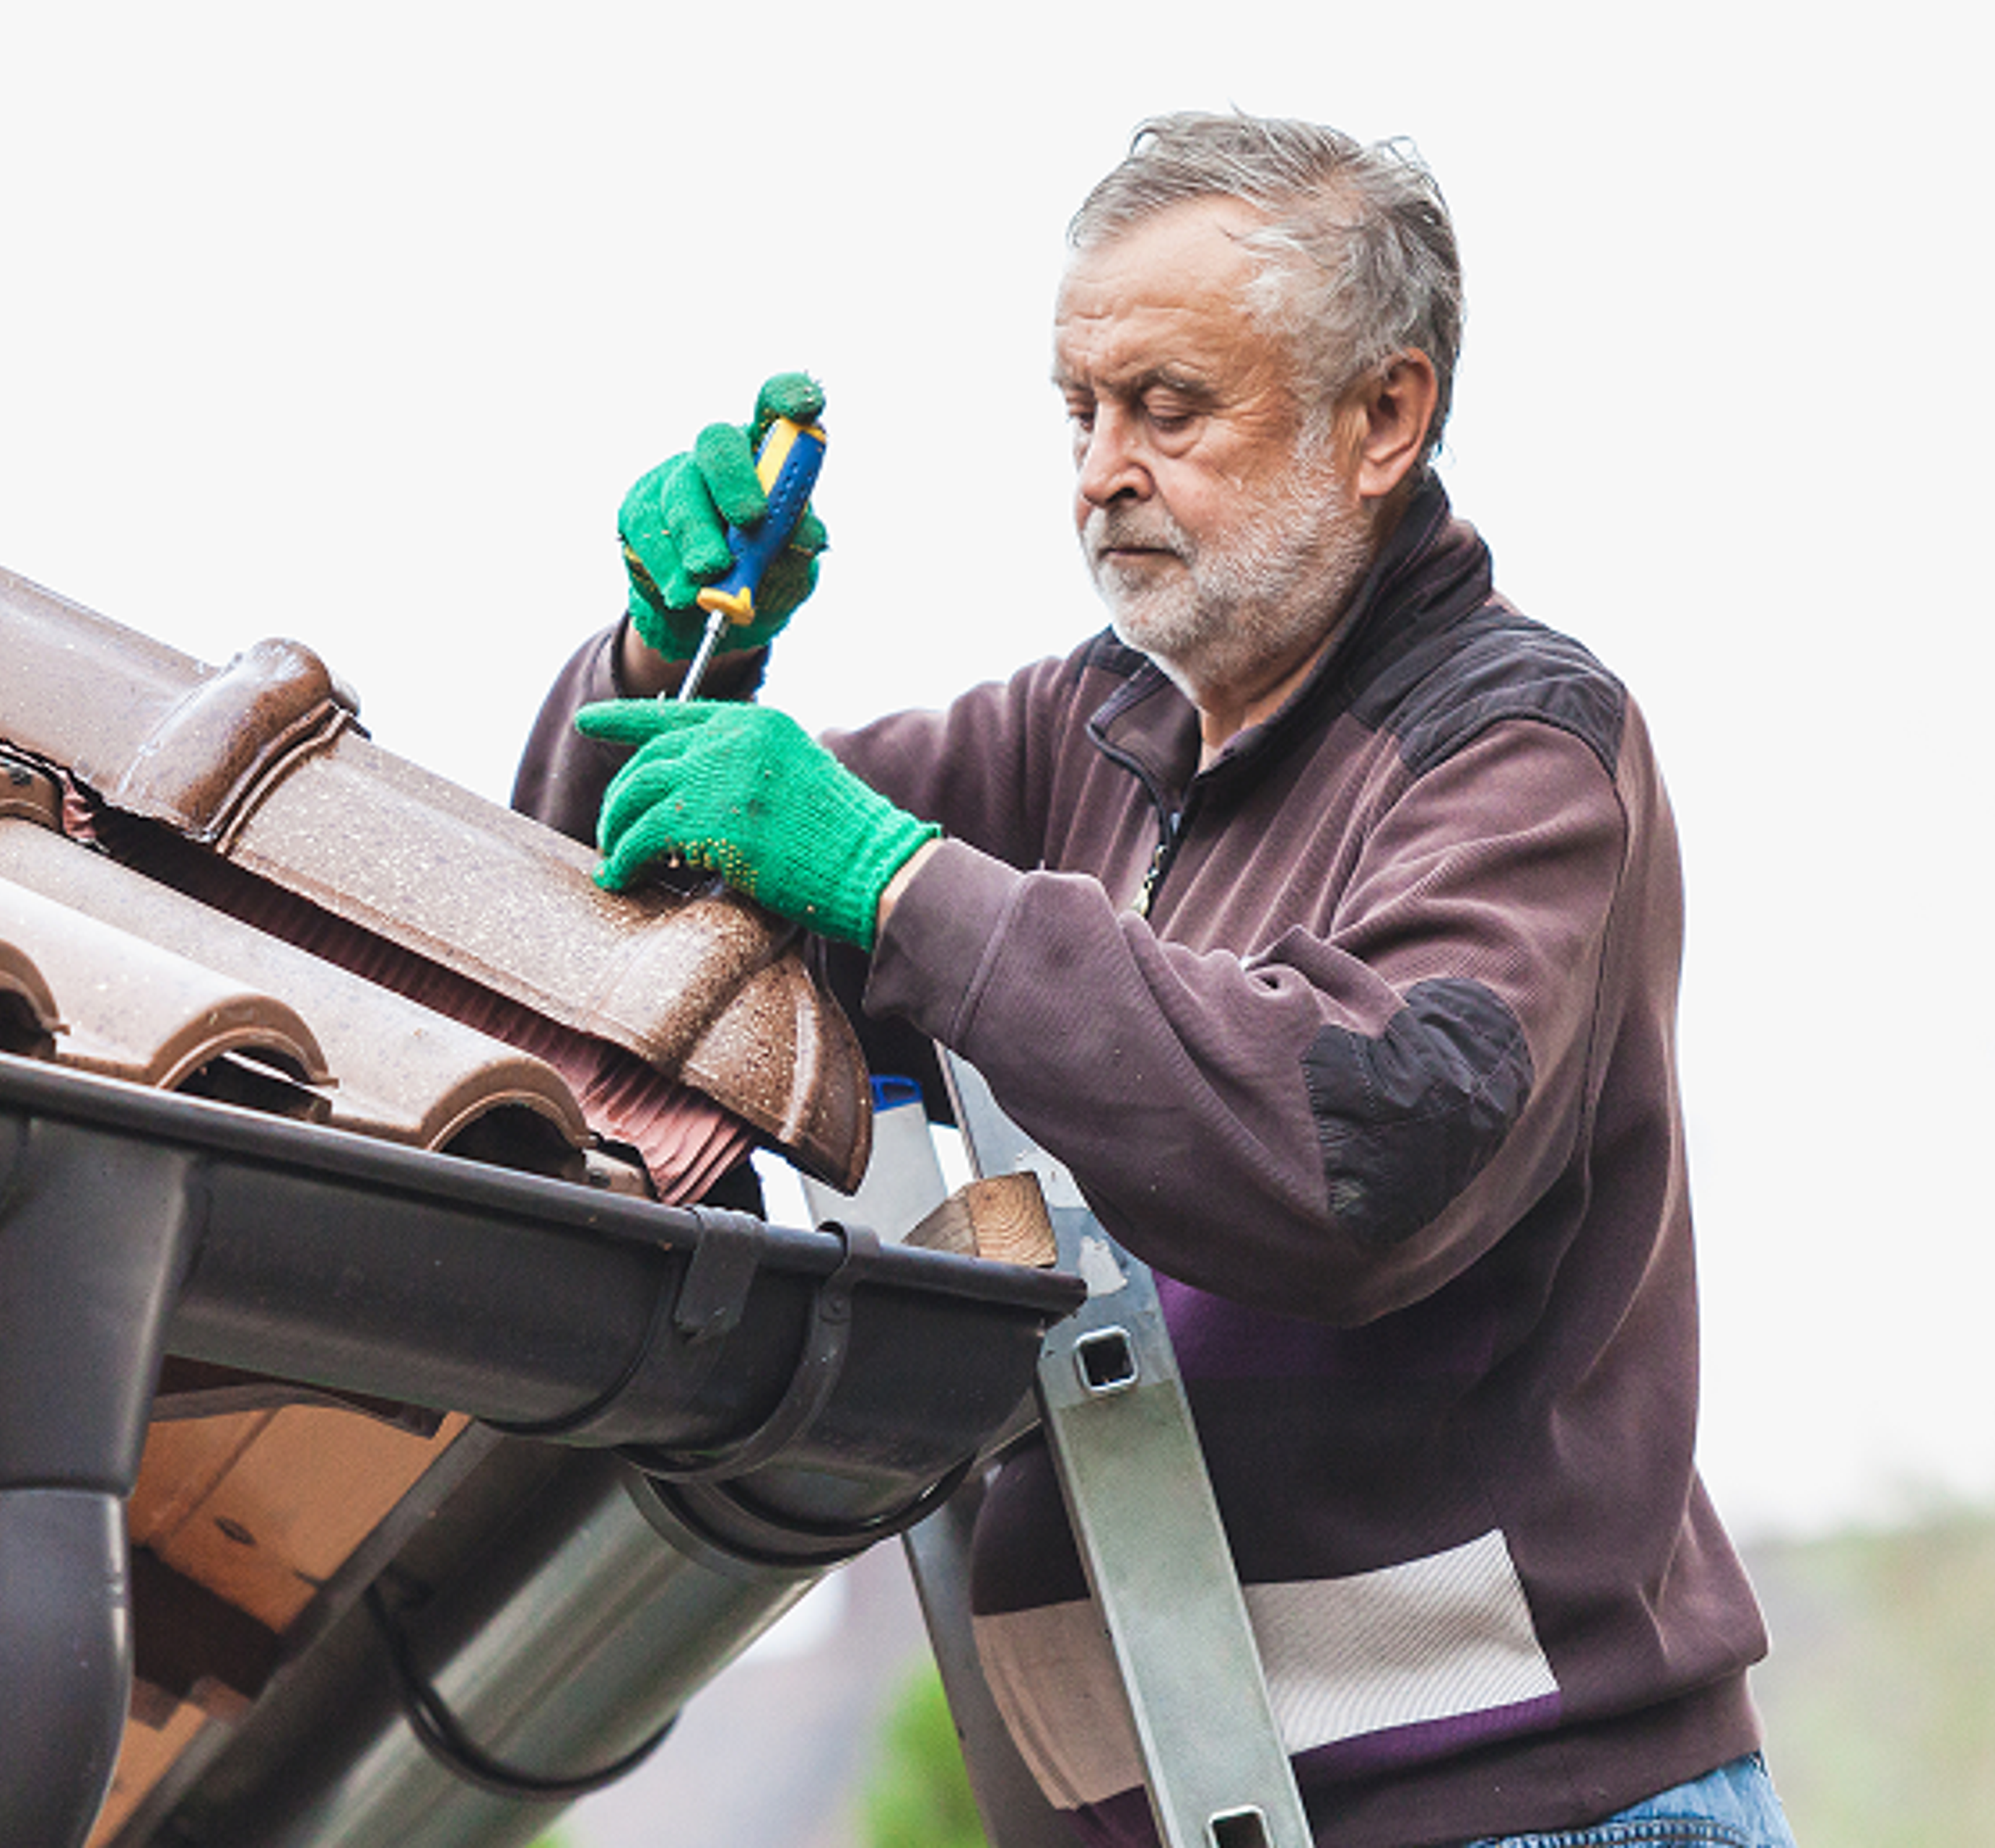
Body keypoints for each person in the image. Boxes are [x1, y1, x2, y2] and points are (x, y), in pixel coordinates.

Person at [512, 111, 1794, 1848]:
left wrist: (899, 882)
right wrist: (672, 650)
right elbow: (623, 923)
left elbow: (1355, 1148)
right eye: (1079, 409)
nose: (1102, 466)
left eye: (1168, 407)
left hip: (1528, 1816)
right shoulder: (1077, 739)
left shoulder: (1520, 751)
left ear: (1383, 419)